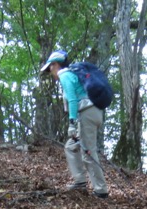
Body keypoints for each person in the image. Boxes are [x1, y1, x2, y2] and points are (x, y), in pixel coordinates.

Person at [41, 50, 109, 199]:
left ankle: (101, 190)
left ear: (55, 65)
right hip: (92, 112)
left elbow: (72, 100)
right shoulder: (71, 74)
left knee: (88, 152)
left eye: (49, 68)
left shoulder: (64, 75)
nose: (49, 72)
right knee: (71, 146)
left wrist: (71, 122)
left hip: (87, 113)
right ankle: (80, 181)